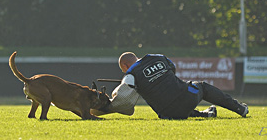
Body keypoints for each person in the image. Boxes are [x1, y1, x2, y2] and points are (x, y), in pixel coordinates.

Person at [91, 52, 248, 119]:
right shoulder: (157, 57)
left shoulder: (130, 76)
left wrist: (105, 108)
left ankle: (206, 114)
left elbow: (124, 99)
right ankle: (239, 108)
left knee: (170, 105)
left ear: (125, 66)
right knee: (202, 87)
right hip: (187, 97)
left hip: (167, 113)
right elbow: (172, 69)